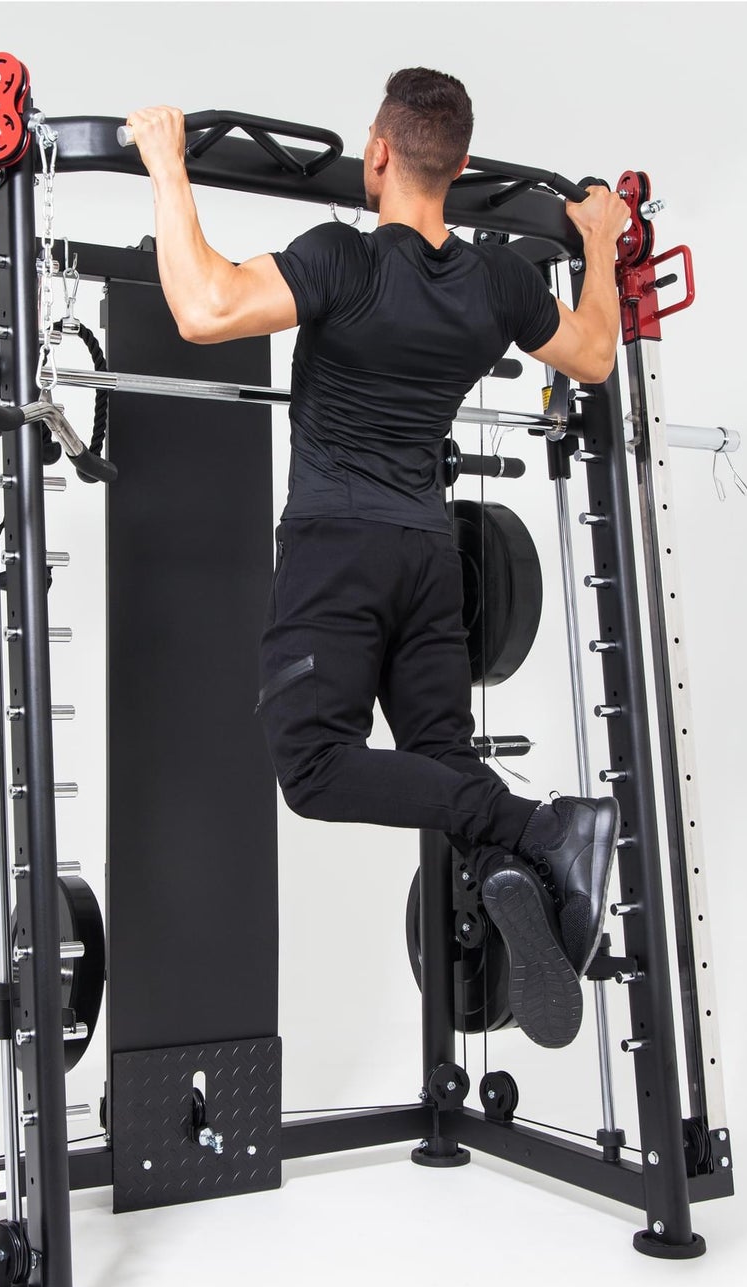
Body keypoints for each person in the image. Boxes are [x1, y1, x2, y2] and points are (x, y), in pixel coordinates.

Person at [125, 69, 629, 1048]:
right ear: (461, 167)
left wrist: (165, 166)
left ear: (379, 152)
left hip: (336, 551)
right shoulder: (500, 282)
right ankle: (522, 868)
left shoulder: (342, 261)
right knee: (442, 767)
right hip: (429, 557)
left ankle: (540, 831)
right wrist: (600, 244)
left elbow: (203, 307)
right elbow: (596, 356)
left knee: (313, 768)